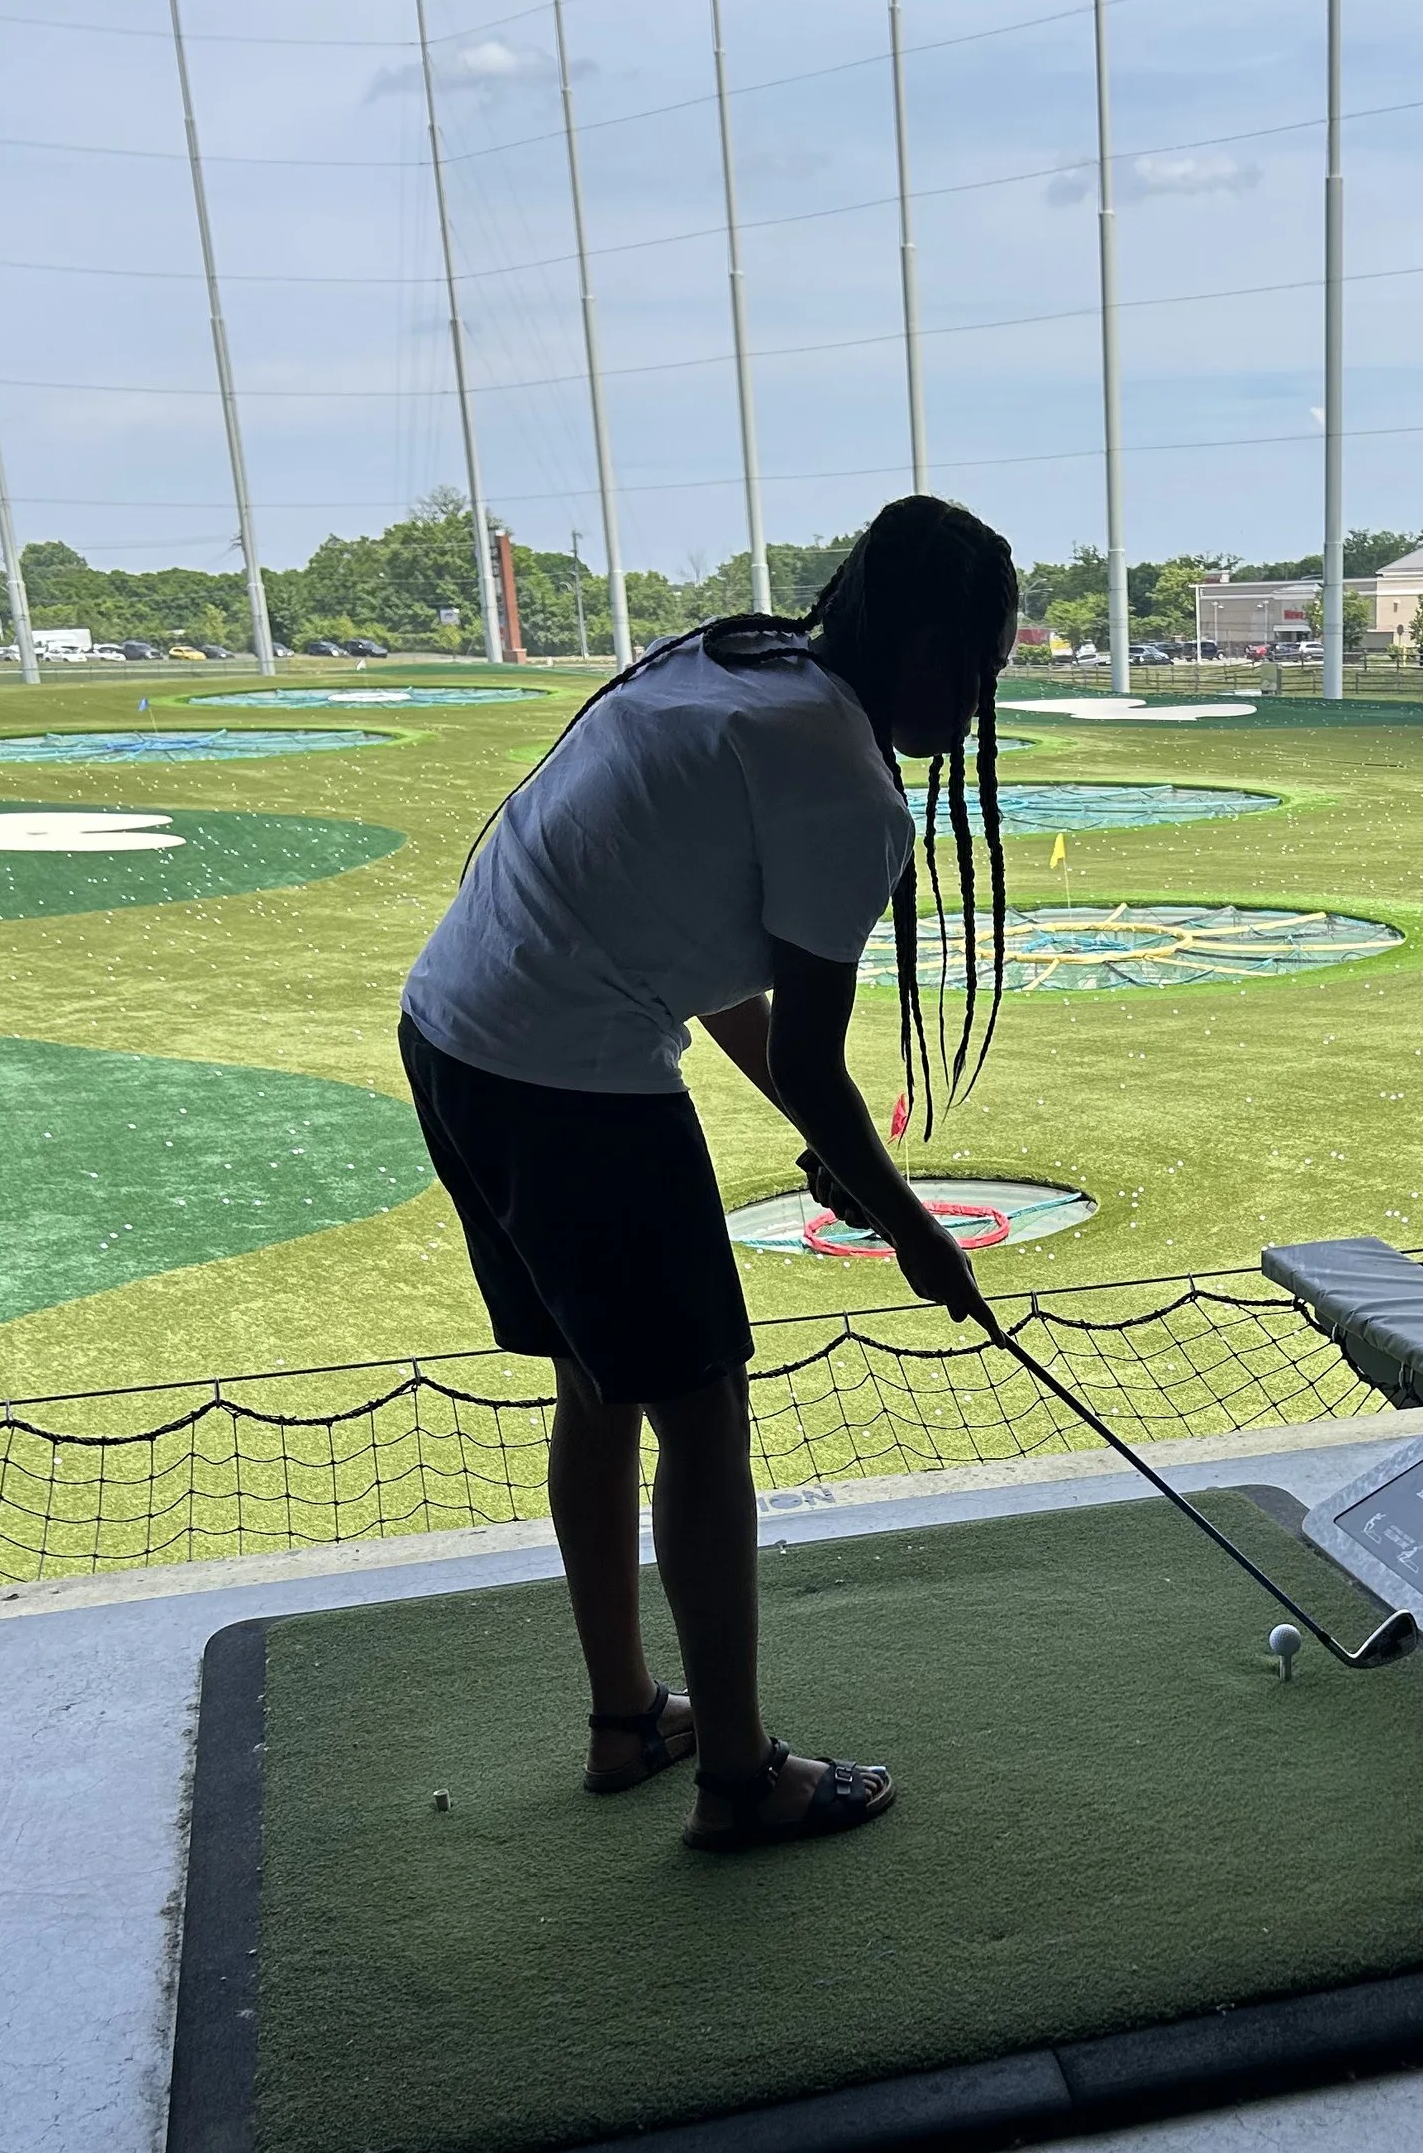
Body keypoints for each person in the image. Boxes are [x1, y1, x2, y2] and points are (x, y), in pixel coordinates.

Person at [397, 493, 1017, 1852]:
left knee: (600, 1382)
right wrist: (916, 1231)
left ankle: (629, 1718)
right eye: (978, 668)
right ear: (921, 644)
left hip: (457, 1035)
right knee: (702, 1418)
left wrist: (844, 1160)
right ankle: (738, 1779)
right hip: (567, 1080)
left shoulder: (733, 665)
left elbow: (718, 979)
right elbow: (813, 1049)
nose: (976, 706)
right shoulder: (843, 781)